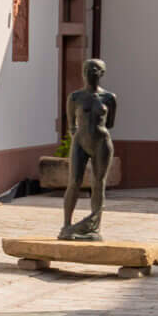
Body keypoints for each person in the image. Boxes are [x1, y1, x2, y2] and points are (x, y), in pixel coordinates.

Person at [61, 56, 119, 242]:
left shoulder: (109, 98)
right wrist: (80, 138)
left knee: (98, 183)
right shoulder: (75, 97)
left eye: (94, 70)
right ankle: (66, 224)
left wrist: (94, 133)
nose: (89, 73)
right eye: (86, 69)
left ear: (102, 73)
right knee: (74, 182)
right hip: (80, 141)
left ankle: (95, 226)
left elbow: (109, 123)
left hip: (101, 142)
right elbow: (71, 125)